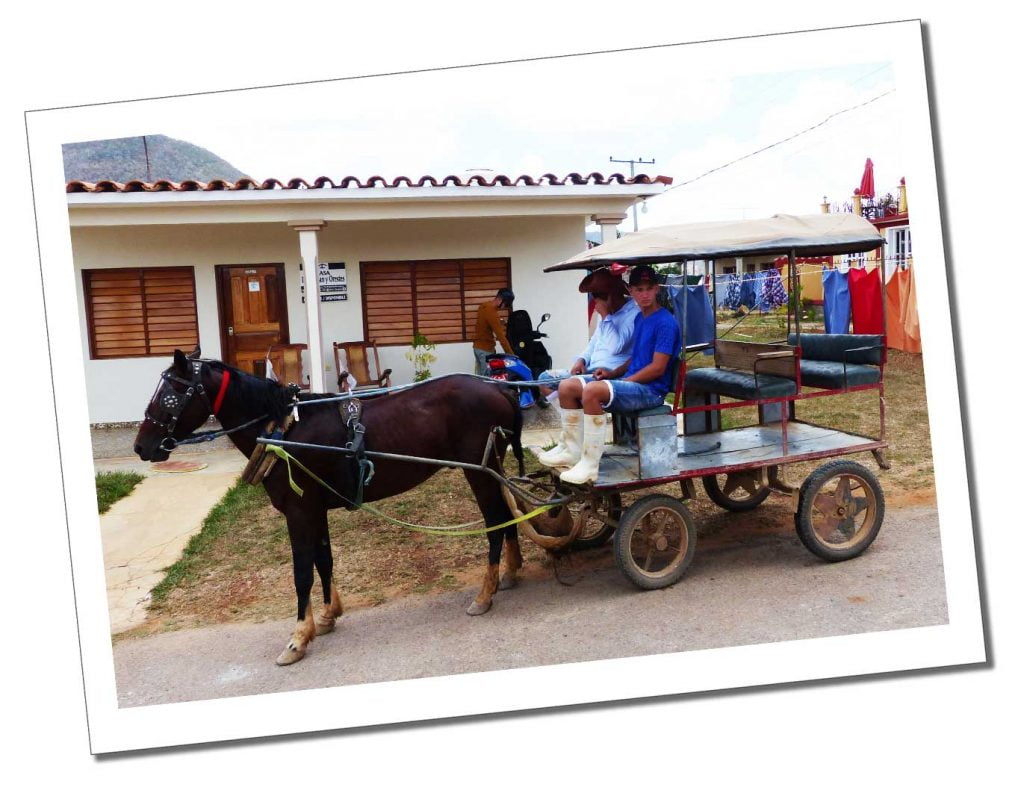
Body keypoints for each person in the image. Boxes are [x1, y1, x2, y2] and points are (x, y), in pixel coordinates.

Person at [539, 265, 680, 485]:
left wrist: (623, 381)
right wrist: (612, 374)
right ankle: (572, 450)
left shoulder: (665, 322)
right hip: (633, 383)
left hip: (651, 391)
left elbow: (657, 368)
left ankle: (590, 464)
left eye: (649, 289)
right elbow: (635, 358)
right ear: (631, 291)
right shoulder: (640, 319)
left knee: (593, 390)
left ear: (657, 289)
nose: (644, 294)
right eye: (639, 289)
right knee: (567, 386)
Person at [536, 267, 638, 398]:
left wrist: (606, 316)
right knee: (544, 380)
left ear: (611, 295)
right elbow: (594, 342)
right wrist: (581, 360)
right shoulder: (607, 316)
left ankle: (577, 413)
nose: (594, 300)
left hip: (610, 371)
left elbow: (615, 347)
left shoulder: (633, 314)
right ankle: (574, 413)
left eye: (597, 296)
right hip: (592, 369)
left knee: (570, 386)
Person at [472, 288, 515, 375]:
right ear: (501, 300)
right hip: (485, 350)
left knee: (480, 378)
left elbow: (486, 323)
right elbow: (501, 338)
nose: (504, 307)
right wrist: (512, 355)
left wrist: (502, 322)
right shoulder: (492, 313)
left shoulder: (484, 306)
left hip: (477, 348)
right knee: (487, 380)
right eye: (506, 304)